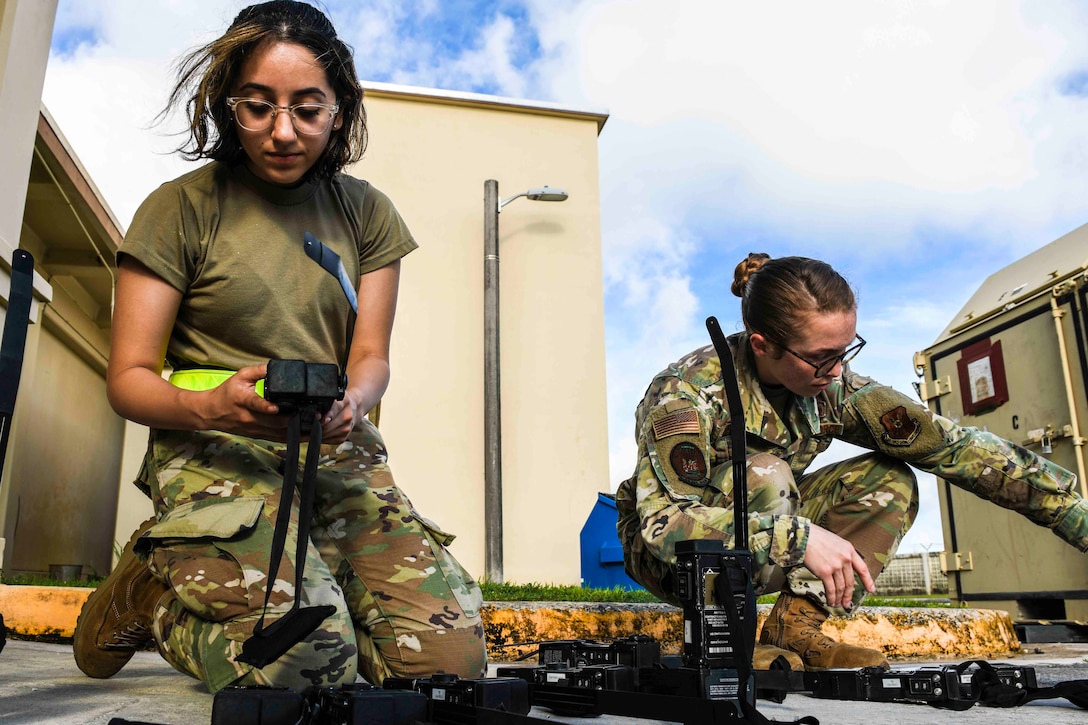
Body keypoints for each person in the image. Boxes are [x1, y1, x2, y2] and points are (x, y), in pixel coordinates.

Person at [74, 0, 487, 693]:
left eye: (308, 108)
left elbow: (371, 357)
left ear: (340, 108)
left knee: (446, 669)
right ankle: (150, 595)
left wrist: (354, 399)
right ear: (227, 103)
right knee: (305, 664)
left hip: (334, 447)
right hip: (216, 448)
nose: (283, 131)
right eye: (258, 106)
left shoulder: (369, 214)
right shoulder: (180, 209)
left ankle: (314, 570)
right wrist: (217, 407)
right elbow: (129, 378)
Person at [615, 253, 1088, 672]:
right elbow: (665, 524)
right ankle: (725, 641)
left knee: (889, 480)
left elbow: (954, 447)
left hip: (762, 526)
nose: (837, 371)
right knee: (766, 474)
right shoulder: (686, 394)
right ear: (762, 345)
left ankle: (796, 628)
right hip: (669, 552)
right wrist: (798, 537)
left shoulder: (833, 389)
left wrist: (1075, 515)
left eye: (845, 351)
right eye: (822, 358)